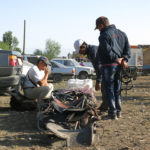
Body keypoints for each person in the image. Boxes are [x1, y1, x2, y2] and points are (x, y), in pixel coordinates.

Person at [95, 16, 131, 120]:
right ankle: (118, 112)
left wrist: (116, 59)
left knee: (109, 89)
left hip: (108, 65)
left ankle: (112, 113)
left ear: (101, 25)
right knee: (117, 89)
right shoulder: (122, 33)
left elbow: (107, 50)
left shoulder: (103, 35)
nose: (98, 30)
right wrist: (124, 59)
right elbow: (127, 49)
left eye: (98, 28)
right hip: (119, 66)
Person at [74, 39, 108, 113]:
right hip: (103, 70)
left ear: (83, 46)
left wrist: (98, 81)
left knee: (105, 89)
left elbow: (99, 66)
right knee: (104, 89)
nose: (80, 53)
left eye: (80, 51)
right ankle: (105, 106)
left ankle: (108, 108)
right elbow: (96, 67)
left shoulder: (93, 50)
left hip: (107, 69)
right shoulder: (89, 52)